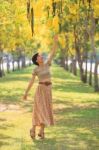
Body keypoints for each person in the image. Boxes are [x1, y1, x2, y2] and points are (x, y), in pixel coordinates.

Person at [23, 35, 58, 139]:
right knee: (39, 109)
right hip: (40, 90)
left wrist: (55, 42)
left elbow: (52, 53)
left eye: (41, 56)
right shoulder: (36, 70)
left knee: (46, 109)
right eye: (39, 56)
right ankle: (33, 129)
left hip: (48, 90)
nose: (41, 56)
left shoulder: (47, 64)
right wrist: (26, 93)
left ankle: (41, 131)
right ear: (36, 60)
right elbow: (31, 82)